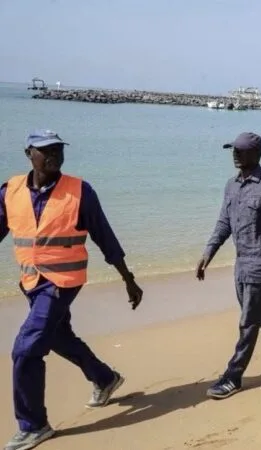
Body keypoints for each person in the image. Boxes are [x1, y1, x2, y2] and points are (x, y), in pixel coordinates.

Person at [1, 130, 144, 450]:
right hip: (31, 281)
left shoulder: (80, 191)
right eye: (46, 150)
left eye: (58, 149)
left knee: (25, 349)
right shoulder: (10, 190)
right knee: (56, 336)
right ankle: (105, 378)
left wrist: (128, 277)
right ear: (29, 154)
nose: (54, 154)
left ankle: (33, 425)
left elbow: (105, 237)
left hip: (63, 283)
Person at [196, 132, 261, 400]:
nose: (235, 154)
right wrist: (208, 252)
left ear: (255, 154)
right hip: (241, 262)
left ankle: (233, 376)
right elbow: (224, 223)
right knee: (251, 314)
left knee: (247, 322)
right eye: (233, 150)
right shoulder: (231, 186)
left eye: (240, 151)